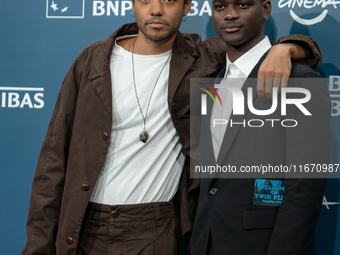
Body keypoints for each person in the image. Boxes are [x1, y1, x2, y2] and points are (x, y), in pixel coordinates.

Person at [22, 0, 323, 254]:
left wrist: (287, 49)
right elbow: (53, 160)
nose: (156, 9)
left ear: (188, 6)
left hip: (156, 228)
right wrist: (38, 245)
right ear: (131, 4)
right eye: (145, 0)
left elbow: (256, 46)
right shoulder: (92, 61)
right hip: (84, 221)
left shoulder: (203, 59)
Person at [190, 0, 331, 254]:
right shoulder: (211, 80)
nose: (230, 15)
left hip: (263, 246)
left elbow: (304, 188)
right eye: (220, 7)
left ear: (265, 9)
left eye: (242, 5)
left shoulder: (298, 79)